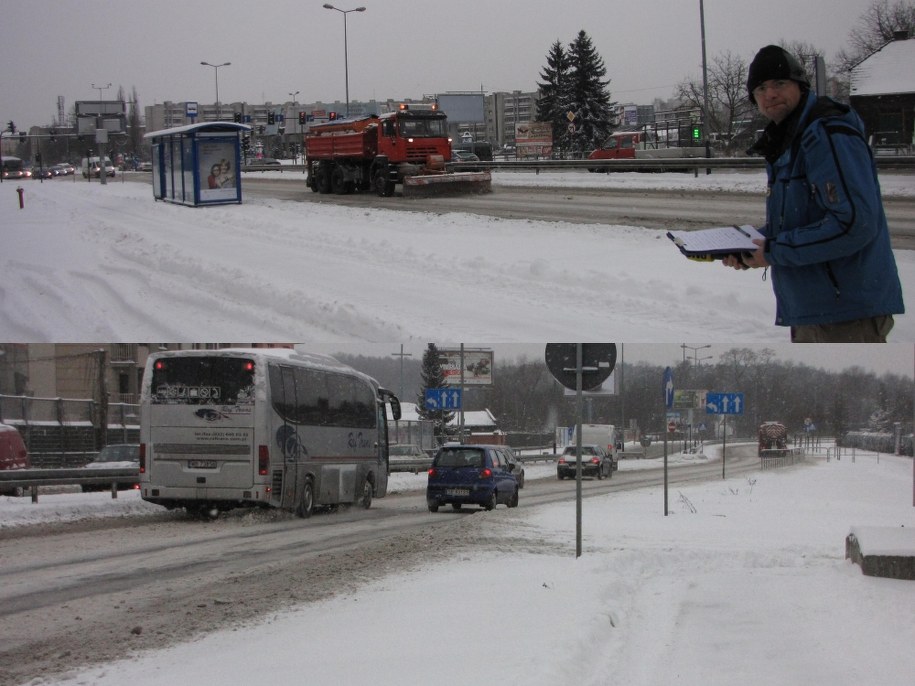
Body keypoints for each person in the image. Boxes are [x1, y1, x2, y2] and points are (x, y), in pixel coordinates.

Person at [723, 45, 904, 342]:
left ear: (800, 85)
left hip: (845, 313)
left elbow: (853, 223)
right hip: (817, 308)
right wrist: (746, 243)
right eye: (761, 88)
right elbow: (800, 221)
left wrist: (772, 251)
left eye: (779, 84)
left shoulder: (828, 134)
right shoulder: (791, 139)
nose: (770, 94)